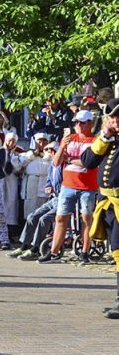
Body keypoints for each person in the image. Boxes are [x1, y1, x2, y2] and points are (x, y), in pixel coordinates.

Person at [40, 109, 99, 264]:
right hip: (68, 185)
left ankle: (85, 252)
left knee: (86, 218)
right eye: (76, 122)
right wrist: (62, 147)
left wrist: (71, 159)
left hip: (87, 186)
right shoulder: (69, 138)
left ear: (90, 123)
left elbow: (89, 164)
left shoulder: (94, 141)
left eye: (82, 122)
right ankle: (54, 252)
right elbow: (57, 162)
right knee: (60, 218)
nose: (78, 125)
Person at [80, 98, 119, 318]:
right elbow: (88, 161)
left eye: (118, 117)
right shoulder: (108, 140)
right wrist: (104, 137)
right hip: (109, 205)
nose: (116, 121)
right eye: (112, 117)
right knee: (116, 251)